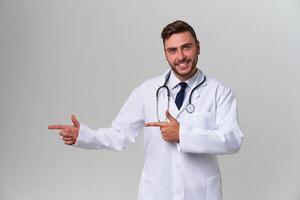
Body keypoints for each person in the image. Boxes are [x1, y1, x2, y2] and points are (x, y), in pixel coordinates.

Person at [48, 20, 244, 200]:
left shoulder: (219, 92)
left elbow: (233, 139)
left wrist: (182, 134)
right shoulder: (147, 91)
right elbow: (120, 134)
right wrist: (84, 135)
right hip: (158, 191)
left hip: (200, 193)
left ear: (198, 47)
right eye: (172, 50)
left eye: (186, 47)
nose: (181, 56)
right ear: (165, 53)